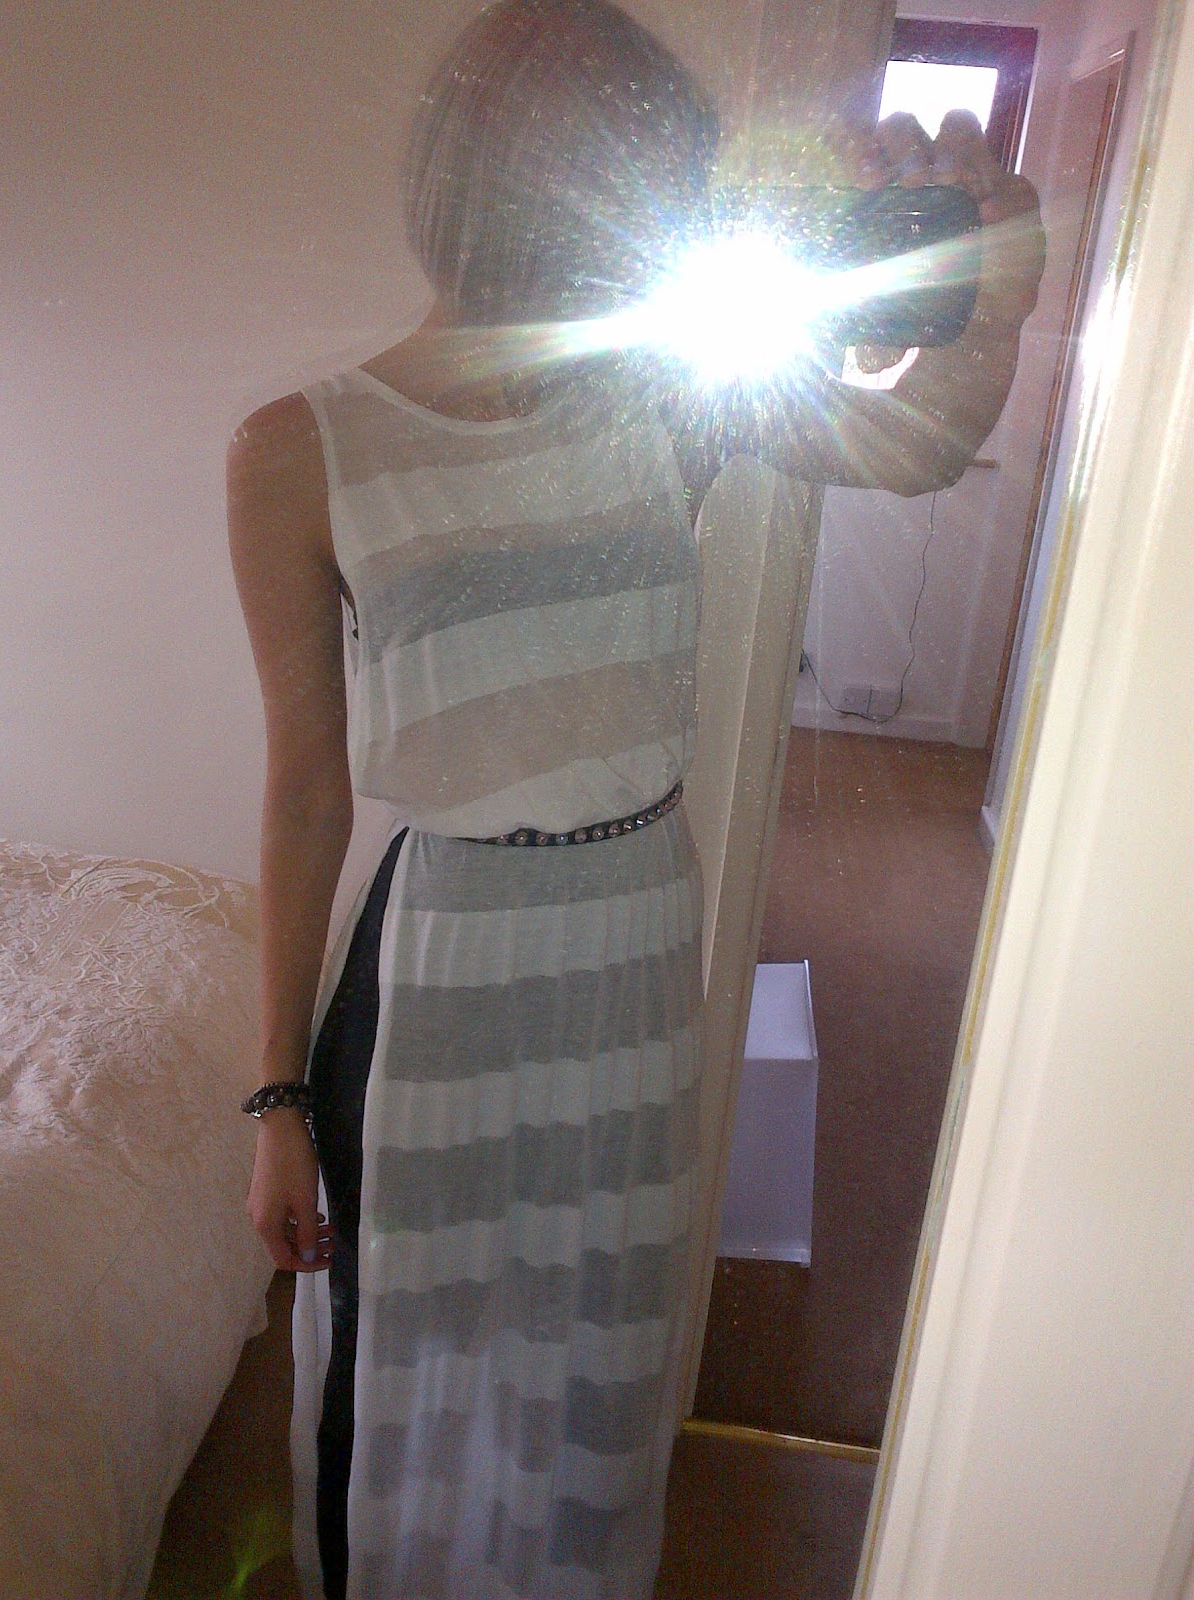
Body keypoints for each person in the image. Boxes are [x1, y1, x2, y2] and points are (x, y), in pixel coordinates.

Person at [227, 3, 1044, 1596]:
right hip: (439, 966)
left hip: (629, 933)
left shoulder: (670, 390)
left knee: (591, 1340)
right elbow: (305, 794)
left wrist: (991, 298)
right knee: (411, 1358)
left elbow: (918, 445)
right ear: (474, 173)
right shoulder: (296, 449)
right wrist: (275, 1108)